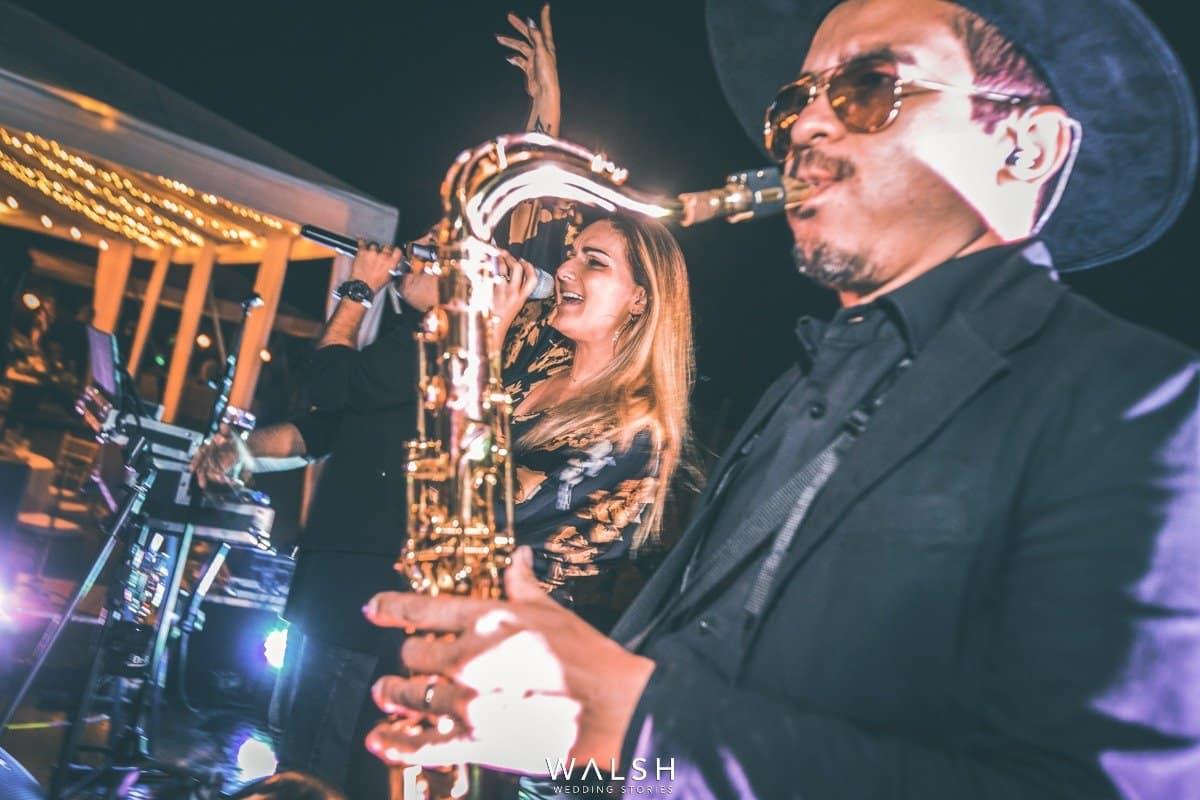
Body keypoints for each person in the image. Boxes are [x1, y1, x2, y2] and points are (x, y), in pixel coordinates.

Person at [361, 0, 1200, 797]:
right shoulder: (798, 389)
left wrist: (638, 727)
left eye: (869, 89)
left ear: (1027, 145)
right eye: (794, 103)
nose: (803, 126)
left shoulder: (1138, 404)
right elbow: (667, 745)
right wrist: (555, 762)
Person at [192, 7, 694, 797]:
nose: (564, 270)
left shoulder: (633, 430)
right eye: (570, 259)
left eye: (592, 265)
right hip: (421, 639)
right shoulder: (533, 362)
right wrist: (540, 117)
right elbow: (522, 219)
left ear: (641, 303)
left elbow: (520, 537)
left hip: (499, 688)